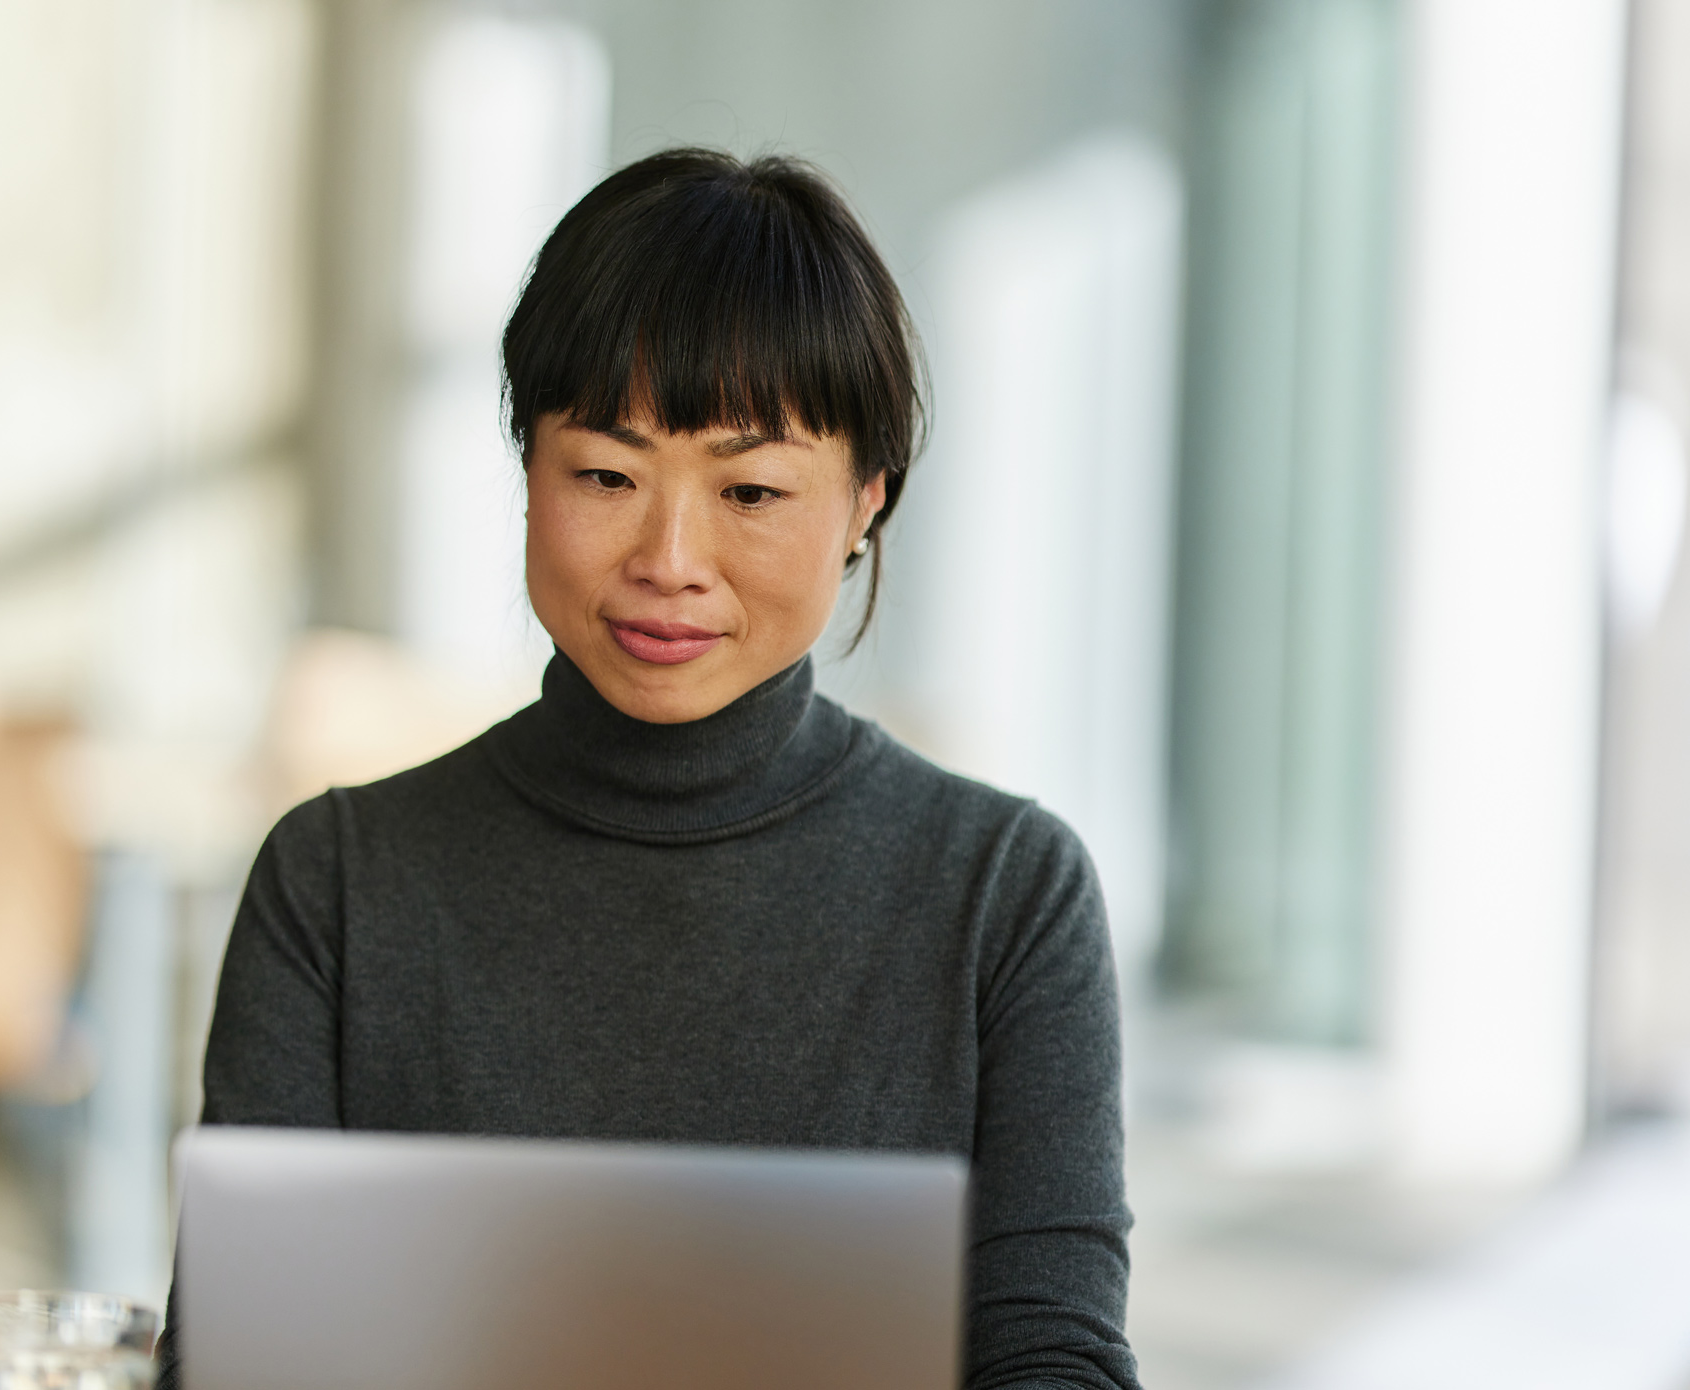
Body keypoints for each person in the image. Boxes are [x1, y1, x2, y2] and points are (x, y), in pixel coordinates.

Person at [158, 148, 1140, 1390]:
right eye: (608, 475)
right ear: (528, 474)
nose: (670, 558)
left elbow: (1053, 1358)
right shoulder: (338, 880)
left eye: (751, 488)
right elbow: (235, 1361)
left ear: (865, 506)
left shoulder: (1004, 894)